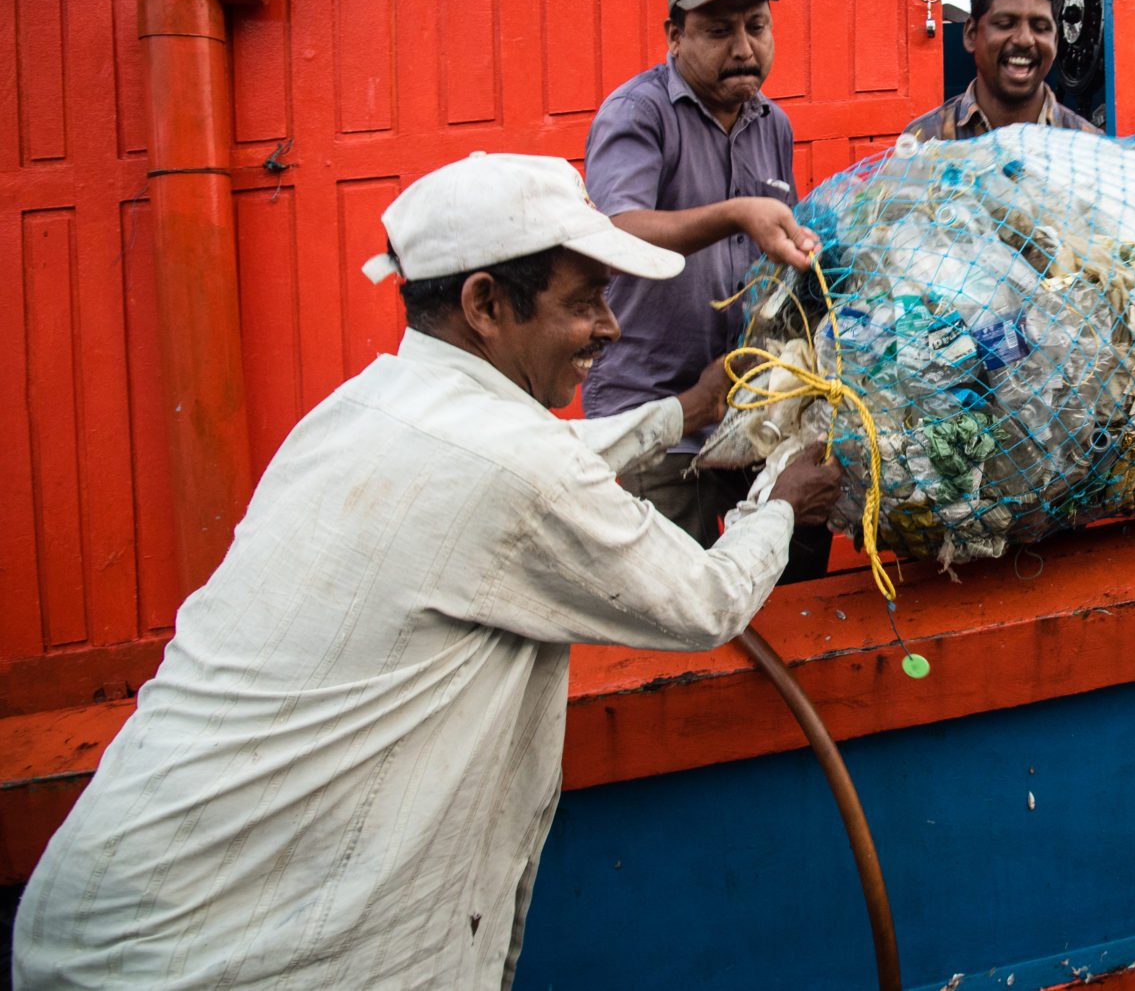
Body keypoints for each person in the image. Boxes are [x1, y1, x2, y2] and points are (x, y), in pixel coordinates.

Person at [11, 152, 843, 990]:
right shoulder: (511, 465)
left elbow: (543, 459)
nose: (610, 327)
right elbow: (704, 599)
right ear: (485, 303)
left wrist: (688, 410)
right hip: (212, 959)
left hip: (102, 920)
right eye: (584, 300)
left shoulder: (363, 407)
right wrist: (781, 499)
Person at [582, 0, 831, 579]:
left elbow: (771, 255)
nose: (744, 48)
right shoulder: (638, 114)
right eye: (719, 32)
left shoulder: (773, 123)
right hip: (659, 418)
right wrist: (735, 213)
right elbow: (614, 230)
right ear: (674, 36)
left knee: (787, 589)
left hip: (759, 415)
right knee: (664, 614)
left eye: (756, 26)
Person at [903, 0, 1101, 140]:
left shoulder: (1088, 145)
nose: (1024, 40)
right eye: (1005, 24)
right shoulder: (925, 139)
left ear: (1056, 41)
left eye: (1040, 28)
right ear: (971, 34)